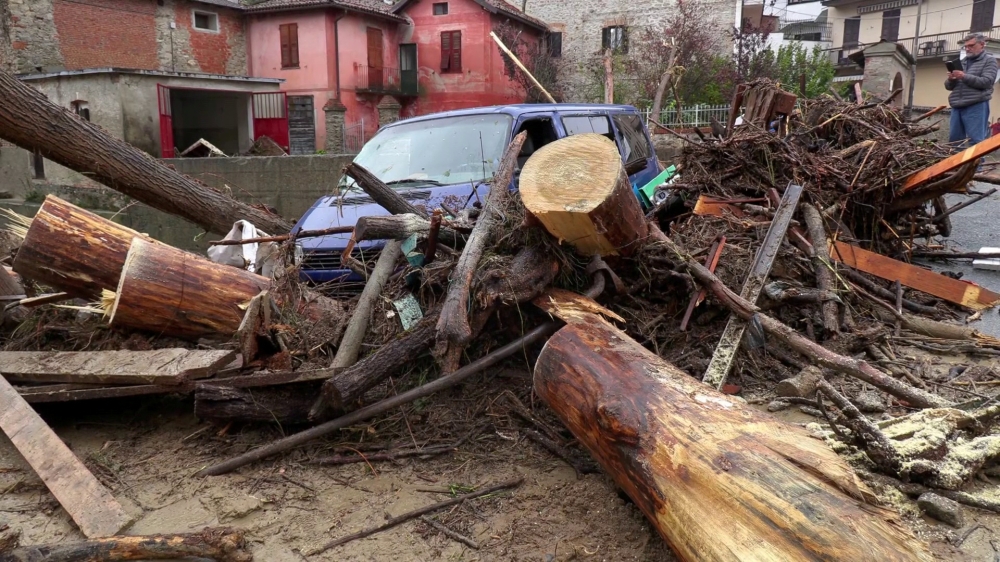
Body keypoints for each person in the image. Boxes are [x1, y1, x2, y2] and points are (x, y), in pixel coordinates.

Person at [946, 33, 999, 148]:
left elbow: (987, 82)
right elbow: (949, 87)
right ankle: (956, 166)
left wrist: (963, 76)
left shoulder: (989, 61)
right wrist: (951, 79)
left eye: (971, 45)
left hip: (976, 105)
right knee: (954, 142)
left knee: (976, 142)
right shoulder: (962, 61)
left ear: (982, 44)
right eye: (966, 46)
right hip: (957, 106)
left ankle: (976, 166)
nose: (968, 49)